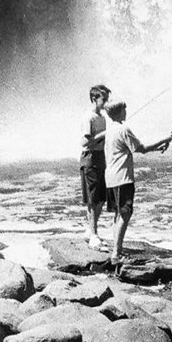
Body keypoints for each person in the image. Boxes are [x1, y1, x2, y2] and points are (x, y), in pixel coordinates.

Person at [101, 100, 171, 272]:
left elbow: (136, 149)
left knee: (118, 214)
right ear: (118, 112)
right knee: (125, 214)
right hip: (123, 178)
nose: (126, 112)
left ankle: (116, 252)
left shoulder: (109, 130)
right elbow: (142, 149)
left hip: (110, 178)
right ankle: (116, 254)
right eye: (124, 110)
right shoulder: (124, 129)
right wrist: (166, 139)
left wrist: (159, 147)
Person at [79, 83, 111, 249]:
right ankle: (94, 235)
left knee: (101, 198)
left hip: (100, 156)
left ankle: (89, 230)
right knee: (93, 199)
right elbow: (85, 141)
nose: (106, 103)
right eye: (103, 99)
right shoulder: (89, 117)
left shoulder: (103, 117)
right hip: (90, 157)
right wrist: (103, 134)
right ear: (94, 99)